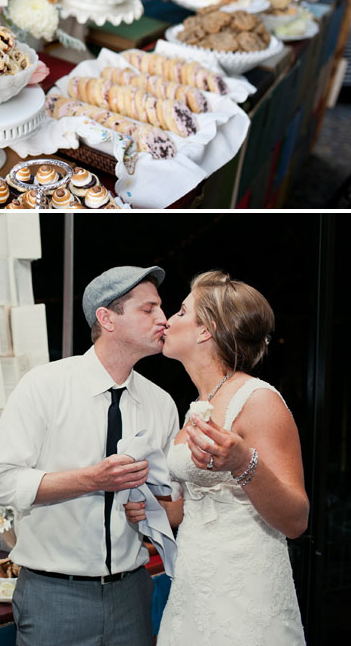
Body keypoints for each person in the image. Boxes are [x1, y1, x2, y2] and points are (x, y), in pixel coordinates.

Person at [0, 265, 180, 646]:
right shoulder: (44, 385)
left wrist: (154, 508)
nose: (163, 319)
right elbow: (0, 483)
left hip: (133, 592)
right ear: (107, 318)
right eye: (148, 309)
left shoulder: (161, 403)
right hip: (54, 597)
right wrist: (92, 480)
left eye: (162, 308)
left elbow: (171, 500)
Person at [130, 270, 308, 646]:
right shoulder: (199, 406)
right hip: (195, 585)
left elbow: (295, 520)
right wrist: (149, 508)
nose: (167, 320)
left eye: (180, 311)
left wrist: (243, 464)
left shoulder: (258, 400)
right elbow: (193, 506)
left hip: (244, 591)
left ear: (204, 331)